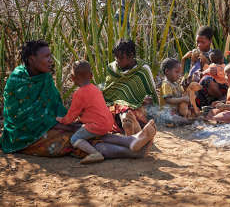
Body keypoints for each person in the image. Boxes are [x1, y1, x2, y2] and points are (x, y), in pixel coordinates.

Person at [1, 40, 156, 160]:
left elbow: (55, 105)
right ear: (31, 59)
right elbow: (21, 119)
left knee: (86, 130)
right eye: (46, 56)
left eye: (50, 55)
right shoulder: (18, 80)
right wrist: (62, 123)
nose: (50, 60)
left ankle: (131, 141)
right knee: (76, 141)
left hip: (51, 124)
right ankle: (133, 152)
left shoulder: (45, 77)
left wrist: (66, 122)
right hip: (26, 137)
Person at [56, 60, 114, 164]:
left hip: (97, 126)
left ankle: (95, 153)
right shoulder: (96, 89)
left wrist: (62, 120)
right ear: (91, 76)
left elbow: (71, 117)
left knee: (74, 139)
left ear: (72, 78)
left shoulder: (79, 93)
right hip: (109, 123)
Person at [103, 39, 159, 136]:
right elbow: (108, 92)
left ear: (131, 56)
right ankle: (136, 136)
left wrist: (146, 99)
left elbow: (151, 93)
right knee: (123, 112)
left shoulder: (143, 70)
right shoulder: (112, 68)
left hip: (137, 106)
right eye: (115, 57)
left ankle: (135, 135)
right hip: (115, 106)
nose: (117, 60)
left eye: (121, 57)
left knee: (131, 114)